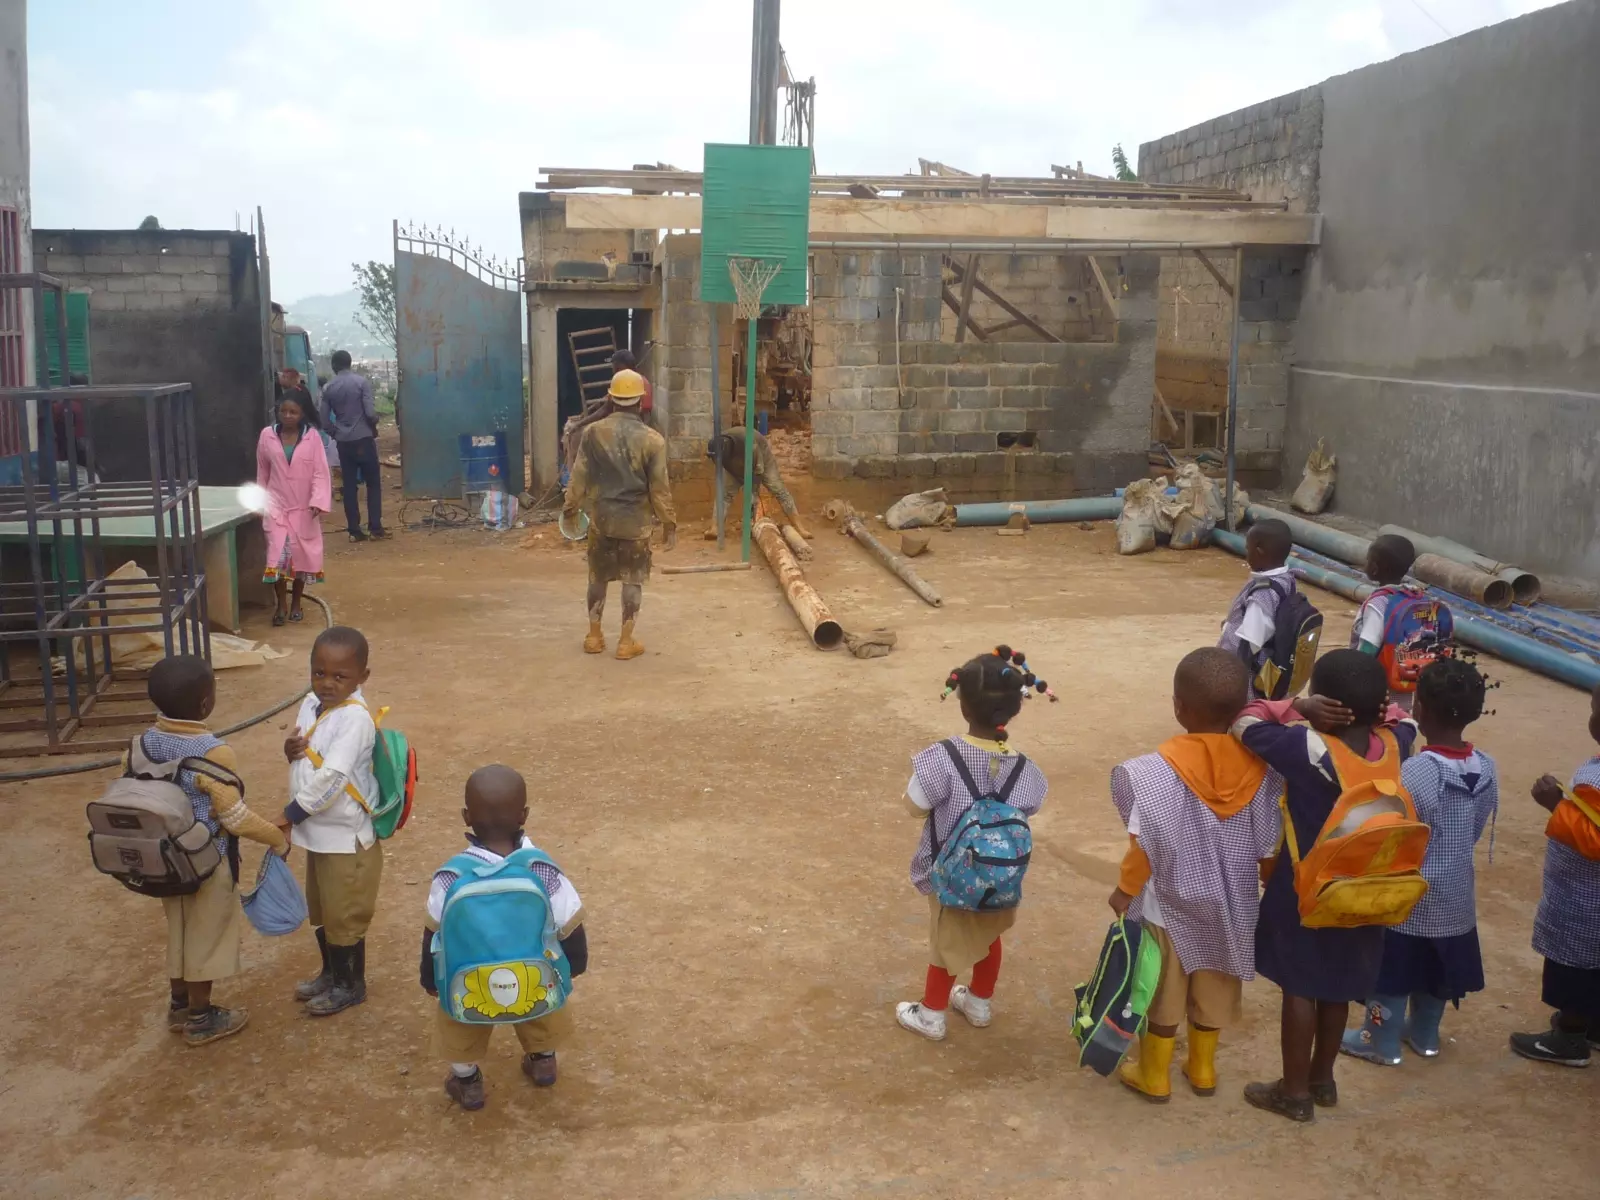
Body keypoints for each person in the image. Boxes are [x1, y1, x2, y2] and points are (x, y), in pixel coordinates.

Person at [1231, 649, 1419, 1121]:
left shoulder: (1308, 748)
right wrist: (1379, 710)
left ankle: (1293, 1092)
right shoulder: (1397, 742)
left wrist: (1298, 706)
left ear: (1325, 705)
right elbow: (1405, 718)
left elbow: (1245, 721)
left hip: (1307, 889)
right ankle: (1322, 1079)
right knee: (1336, 986)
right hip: (1369, 889)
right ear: (1379, 706)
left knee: (1299, 985)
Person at [1108, 648, 1283, 1102]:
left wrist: (1125, 890)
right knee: (1215, 982)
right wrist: (1268, 883)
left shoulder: (1150, 773)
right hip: (1232, 906)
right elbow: (1269, 846)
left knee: (1162, 991)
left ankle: (1154, 1073)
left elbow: (1144, 844)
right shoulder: (1262, 771)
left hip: (1167, 906)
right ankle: (1203, 1068)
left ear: (1178, 707)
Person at [1342, 658, 1496, 1066]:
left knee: (1392, 974)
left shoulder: (1416, 772)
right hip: (1456, 896)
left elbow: (1398, 831)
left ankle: (1379, 1038)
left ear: (1420, 709)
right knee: (1437, 971)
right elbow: (1476, 827)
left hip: (1409, 895)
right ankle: (1425, 1035)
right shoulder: (1488, 768)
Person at [895, 648, 1049, 1041]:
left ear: (963, 706)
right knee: (988, 937)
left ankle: (931, 1014)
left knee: (945, 945)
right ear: (1014, 709)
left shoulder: (943, 757)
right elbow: (1031, 806)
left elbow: (915, 806)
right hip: (1000, 879)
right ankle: (978, 1002)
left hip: (951, 873)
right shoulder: (1026, 768)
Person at [136, 655, 289, 1046]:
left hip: (163, 860)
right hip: (206, 861)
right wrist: (275, 838)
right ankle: (202, 1017)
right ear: (205, 704)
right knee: (206, 937)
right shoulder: (214, 752)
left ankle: (178, 1006)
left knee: (179, 930)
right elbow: (234, 817)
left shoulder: (142, 744)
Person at [423, 765, 588, 1111]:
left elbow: (434, 932)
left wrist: (429, 977)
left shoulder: (450, 877)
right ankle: (543, 1061)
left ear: (466, 817)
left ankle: (467, 1081)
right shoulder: (542, 869)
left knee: (458, 1024)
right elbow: (570, 923)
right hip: (532, 976)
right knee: (542, 1004)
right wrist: (575, 964)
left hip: (469, 982)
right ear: (524, 815)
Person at [280, 626, 382, 1017]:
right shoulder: (311, 703)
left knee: (345, 914)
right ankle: (330, 973)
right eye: (319, 673)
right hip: (318, 832)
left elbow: (334, 778)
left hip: (345, 836)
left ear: (362, 677)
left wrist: (289, 815)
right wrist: (290, 749)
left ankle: (350, 984)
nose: (327, 683)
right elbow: (307, 748)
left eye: (340, 676)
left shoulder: (355, 719)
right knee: (322, 908)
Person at [1510, 682, 1600, 1067]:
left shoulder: (1596, 780)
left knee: (1573, 968)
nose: (1591, 717)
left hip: (1584, 898)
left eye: (1595, 710)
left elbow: (1594, 838)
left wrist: (1556, 807)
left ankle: (1570, 1038)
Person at [563, 368, 677, 661]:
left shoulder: (592, 433)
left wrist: (570, 509)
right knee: (632, 580)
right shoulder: (653, 440)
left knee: (597, 577)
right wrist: (669, 524)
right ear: (641, 401)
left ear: (611, 398)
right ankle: (625, 642)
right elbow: (659, 489)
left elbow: (579, 476)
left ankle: (594, 636)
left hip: (602, 519)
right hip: (635, 523)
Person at [257, 387, 330, 627]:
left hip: (303, 509)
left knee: (300, 558)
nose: (287, 416)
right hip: (276, 508)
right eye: (284, 411)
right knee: (277, 558)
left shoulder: (312, 438)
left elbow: (320, 472)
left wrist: (318, 501)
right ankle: (281, 604)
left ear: (303, 414)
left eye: (293, 412)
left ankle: (297, 602)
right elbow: (263, 471)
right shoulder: (267, 436)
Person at [1217, 518, 1294, 697]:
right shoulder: (1286, 579)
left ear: (1259, 551)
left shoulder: (1263, 594)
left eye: (1248, 549)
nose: (1246, 554)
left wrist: (1232, 681)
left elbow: (1249, 644)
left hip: (1248, 675)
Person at [1350, 532, 1425, 711]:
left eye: (1368, 560)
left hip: (1378, 693)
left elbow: (1368, 648)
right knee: (1400, 722)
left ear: (1374, 568)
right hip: (1405, 684)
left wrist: (1352, 678)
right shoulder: (1415, 598)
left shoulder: (1378, 603)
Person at [322, 349, 389, 541]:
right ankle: (375, 528)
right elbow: (370, 413)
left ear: (334, 366)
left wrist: (336, 433)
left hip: (344, 443)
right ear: (350, 363)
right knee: (373, 483)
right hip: (364, 439)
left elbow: (324, 420)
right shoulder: (361, 383)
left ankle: (354, 531)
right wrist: (373, 425)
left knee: (349, 486)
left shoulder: (328, 388)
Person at [709, 425, 813, 540]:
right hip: (735, 465)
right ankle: (715, 528)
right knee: (724, 495)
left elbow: (758, 471)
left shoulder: (751, 445)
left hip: (762, 460)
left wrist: (752, 495)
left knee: (779, 490)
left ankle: (800, 528)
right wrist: (737, 475)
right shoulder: (717, 446)